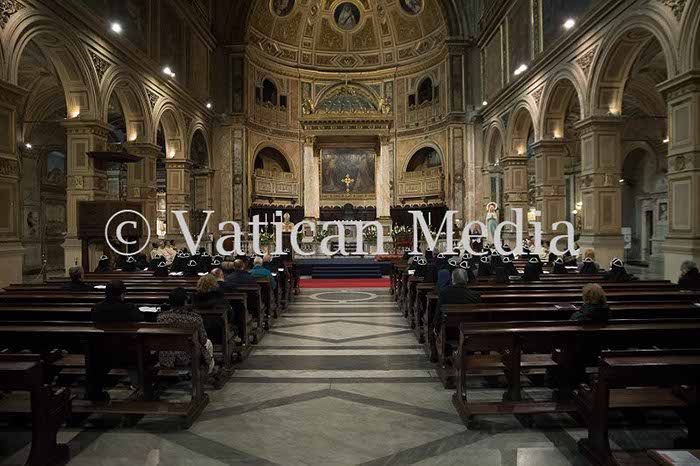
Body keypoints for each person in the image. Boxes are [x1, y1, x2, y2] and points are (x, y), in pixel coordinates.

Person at [158, 288, 215, 374]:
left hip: (166, 357)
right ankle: (206, 372)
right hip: (189, 356)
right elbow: (203, 340)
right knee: (208, 343)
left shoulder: (161, 318)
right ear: (185, 301)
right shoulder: (194, 318)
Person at [433, 269, 481, 333]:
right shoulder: (475, 295)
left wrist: (436, 327)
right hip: (470, 329)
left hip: (449, 330)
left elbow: (438, 313)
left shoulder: (444, 293)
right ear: (467, 279)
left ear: (453, 280)